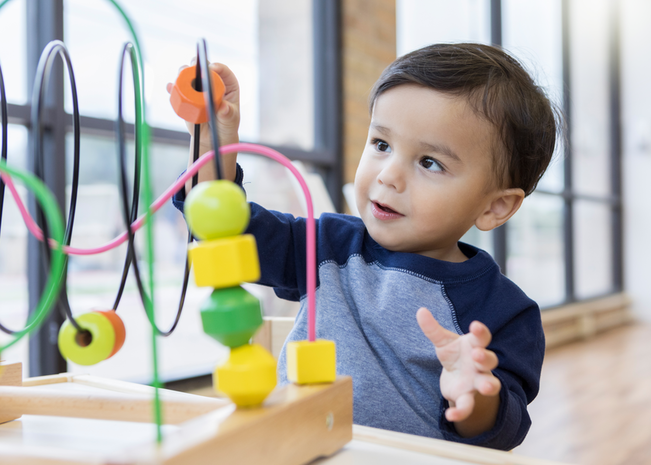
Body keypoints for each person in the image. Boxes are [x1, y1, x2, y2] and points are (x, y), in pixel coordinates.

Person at [170, 43, 559, 451]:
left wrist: (476, 395)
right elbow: (221, 229)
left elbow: (505, 432)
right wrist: (214, 138)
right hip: (297, 451)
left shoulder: (504, 311)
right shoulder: (328, 247)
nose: (389, 175)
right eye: (381, 144)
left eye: (429, 162)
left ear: (496, 205)